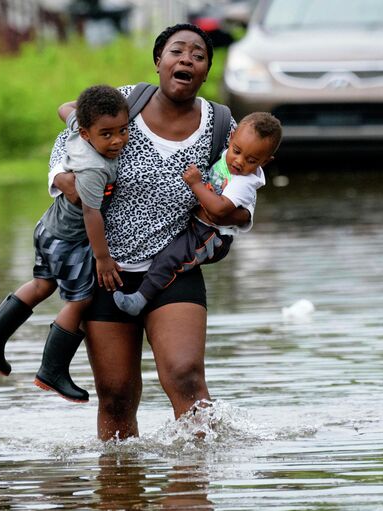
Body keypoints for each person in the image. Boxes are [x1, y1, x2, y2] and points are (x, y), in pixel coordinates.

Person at [49, 23, 251, 439]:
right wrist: (62, 178)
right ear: (158, 61)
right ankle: (119, 492)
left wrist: (237, 214)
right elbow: (68, 138)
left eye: (198, 55)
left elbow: (245, 178)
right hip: (106, 269)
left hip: (173, 267)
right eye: (177, 51)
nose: (187, 59)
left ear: (205, 71)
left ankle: (195, 490)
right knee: (116, 394)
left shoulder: (222, 126)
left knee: (186, 376)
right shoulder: (124, 102)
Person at [0, 84, 129, 403]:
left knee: (43, 284)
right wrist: (102, 258)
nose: (117, 141)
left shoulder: (77, 127)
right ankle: (52, 370)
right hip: (71, 240)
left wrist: (85, 109)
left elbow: (63, 107)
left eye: (123, 131)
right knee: (80, 301)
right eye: (106, 134)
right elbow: (91, 213)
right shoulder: (94, 168)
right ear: (86, 135)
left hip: (48, 229)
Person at [113, 112, 282, 315]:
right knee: (167, 251)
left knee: (171, 258)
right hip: (198, 226)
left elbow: (219, 209)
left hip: (211, 236)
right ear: (231, 137)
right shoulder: (225, 155)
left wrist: (195, 184)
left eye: (251, 160)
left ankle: (140, 299)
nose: (239, 161)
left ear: (264, 162)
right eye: (236, 151)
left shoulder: (244, 182)